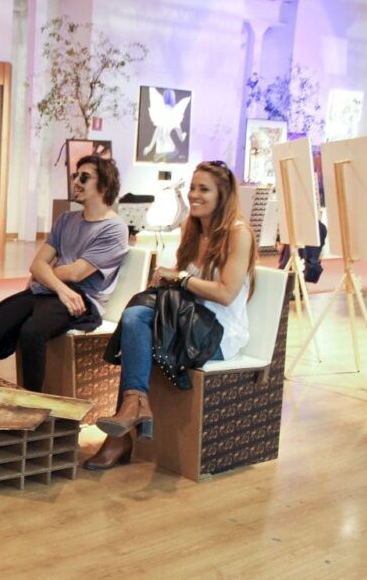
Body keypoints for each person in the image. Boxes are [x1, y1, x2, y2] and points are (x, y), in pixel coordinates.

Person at [84, 160, 257, 470]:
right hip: (184, 321)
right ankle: (135, 404)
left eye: (204, 189)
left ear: (223, 195)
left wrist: (179, 278)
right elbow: (187, 281)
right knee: (136, 319)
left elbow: (225, 293)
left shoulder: (238, 233)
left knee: (137, 326)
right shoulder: (193, 227)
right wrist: (171, 279)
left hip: (216, 334)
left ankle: (122, 433)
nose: (194, 195)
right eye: (192, 187)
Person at [0, 155, 129, 392]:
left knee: (32, 332)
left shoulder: (114, 229)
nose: (75, 181)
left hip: (81, 301)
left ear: (104, 185)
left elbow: (75, 273)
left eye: (84, 177)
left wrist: (46, 275)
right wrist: (58, 286)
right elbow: (36, 264)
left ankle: (31, 402)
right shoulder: (66, 219)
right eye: (75, 175)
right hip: (51, 292)